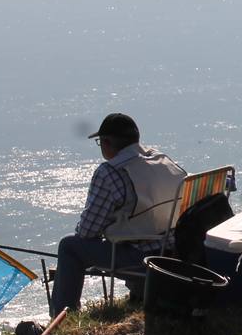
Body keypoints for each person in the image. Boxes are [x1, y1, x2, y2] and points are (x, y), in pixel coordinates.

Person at [50, 113, 187, 314]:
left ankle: (62, 316)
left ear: (106, 142)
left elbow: (88, 231)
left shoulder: (110, 172)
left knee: (69, 246)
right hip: (175, 248)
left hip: (142, 257)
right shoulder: (162, 160)